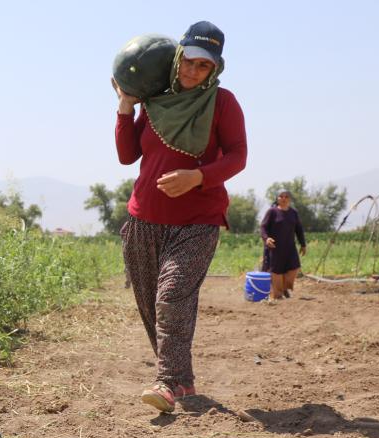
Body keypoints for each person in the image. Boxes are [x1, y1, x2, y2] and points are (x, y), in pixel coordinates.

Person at [113, 20, 247, 414]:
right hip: (144, 220)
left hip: (198, 221)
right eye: (187, 61)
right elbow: (127, 155)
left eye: (202, 66)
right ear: (176, 59)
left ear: (215, 70)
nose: (191, 71)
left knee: (172, 295)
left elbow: (238, 156)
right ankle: (183, 380)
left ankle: (167, 384)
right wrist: (125, 107)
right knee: (152, 305)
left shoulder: (222, 104)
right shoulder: (156, 99)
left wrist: (198, 177)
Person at [260, 189, 306, 299]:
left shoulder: (293, 213)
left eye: (286, 196)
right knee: (276, 271)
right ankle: (278, 295)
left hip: (290, 247)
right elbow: (263, 227)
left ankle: (284, 288)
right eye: (281, 196)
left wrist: (303, 244)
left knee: (294, 268)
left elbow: (299, 229)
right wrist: (266, 239)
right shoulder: (272, 212)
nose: (284, 198)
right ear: (277, 198)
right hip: (275, 247)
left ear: (289, 199)